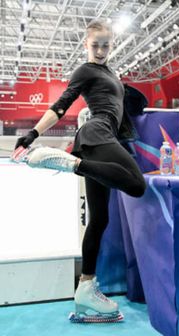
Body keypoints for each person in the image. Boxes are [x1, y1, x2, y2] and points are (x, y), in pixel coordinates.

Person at [14, 19, 146, 322]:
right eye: (95, 44)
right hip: (97, 136)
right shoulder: (86, 71)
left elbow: (127, 108)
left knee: (99, 218)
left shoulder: (110, 74)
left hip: (100, 138)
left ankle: (86, 289)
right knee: (137, 185)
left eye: (105, 44)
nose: (100, 50)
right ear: (86, 44)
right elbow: (61, 105)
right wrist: (32, 134)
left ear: (112, 44)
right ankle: (70, 163)